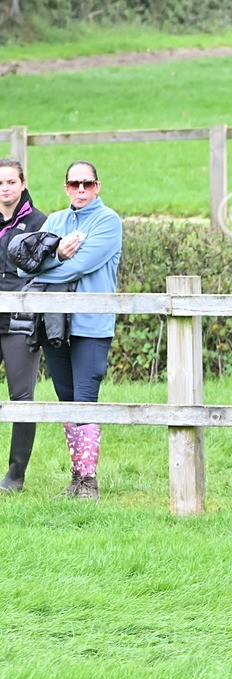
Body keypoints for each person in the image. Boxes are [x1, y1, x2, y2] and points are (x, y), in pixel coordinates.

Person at [24, 160, 123, 500]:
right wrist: (52, 258)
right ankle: (76, 477)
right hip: (55, 322)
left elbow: (80, 265)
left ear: (98, 186)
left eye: (88, 184)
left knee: (85, 396)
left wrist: (50, 261)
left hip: (91, 324)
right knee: (66, 399)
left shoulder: (108, 222)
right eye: (74, 183)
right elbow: (27, 266)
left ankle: (89, 482)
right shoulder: (54, 221)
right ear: (66, 187)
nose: (81, 189)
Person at [0, 159, 48, 492]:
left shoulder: (38, 222)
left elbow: (43, 271)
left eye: (11, 182)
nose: (5, 189)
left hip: (20, 320)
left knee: (21, 396)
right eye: (0, 183)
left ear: (22, 182)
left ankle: (15, 476)